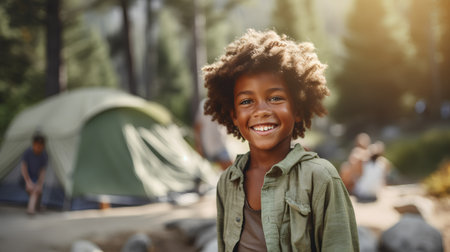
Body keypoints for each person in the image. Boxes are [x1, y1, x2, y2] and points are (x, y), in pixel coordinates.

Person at [202, 29, 359, 251]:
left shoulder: (320, 178)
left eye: (275, 98)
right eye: (247, 101)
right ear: (234, 116)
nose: (261, 111)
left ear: (297, 109)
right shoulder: (228, 182)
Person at [194, 98, 233, 170]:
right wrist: (198, 146)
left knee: (229, 170)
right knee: (232, 170)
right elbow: (197, 127)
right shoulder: (204, 105)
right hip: (215, 147)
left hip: (216, 145)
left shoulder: (222, 104)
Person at [21, 133, 48, 214]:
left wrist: (40, 184)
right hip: (25, 178)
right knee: (33, 190)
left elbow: (42, 172)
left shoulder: (44, 155)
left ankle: (36, 207)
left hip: (36, 178)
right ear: (33, 144)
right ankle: (32, 209)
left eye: (41, 146)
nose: (38, 148)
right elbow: (23, 168)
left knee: (37, 190)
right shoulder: (27, 152)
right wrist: (28, 182)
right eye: (37, 145)